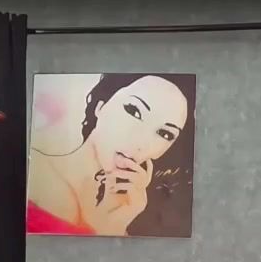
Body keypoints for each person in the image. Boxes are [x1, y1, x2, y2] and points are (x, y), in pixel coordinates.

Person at [28, 74, 192, 236]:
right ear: (101, 107)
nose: (141, 140)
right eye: (134, 111)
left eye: (165, 134)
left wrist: (118, 222)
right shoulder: (33, 170)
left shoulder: (130, 208)